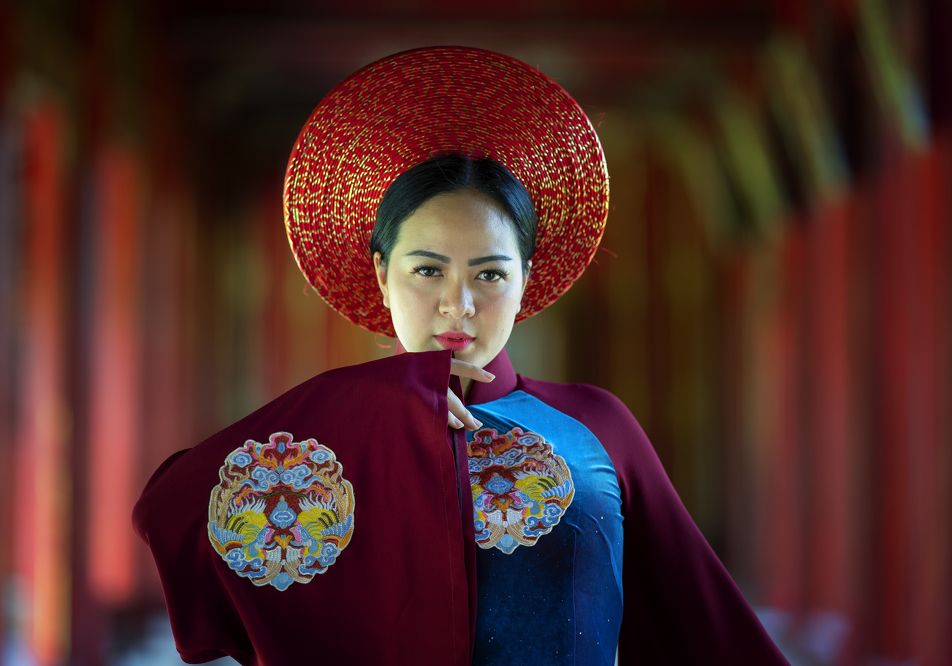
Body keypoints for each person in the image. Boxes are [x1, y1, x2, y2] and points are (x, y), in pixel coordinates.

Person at [133, 46, 790, 665]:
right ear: (382, 272)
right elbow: (171, 511)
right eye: (427, 271)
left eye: (490, 274)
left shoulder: (597, 424)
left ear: (527, 277)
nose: (460, 305)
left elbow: (706, 632)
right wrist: (366, 400)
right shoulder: (331, 435)